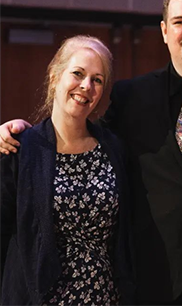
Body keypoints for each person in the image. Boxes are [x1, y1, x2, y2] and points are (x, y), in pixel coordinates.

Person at [0, 0, 182, 305]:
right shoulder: (132, 98)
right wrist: (15, 130)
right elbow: (75, 132)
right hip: (156, 286)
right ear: (164, 31)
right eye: (179, 22)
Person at [0, 35, 135, 305]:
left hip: (106, 298)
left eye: (97, 80)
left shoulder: (115, 149)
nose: (86, 86)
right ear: (55, 76)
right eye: (78, 73)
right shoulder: (21, 149)